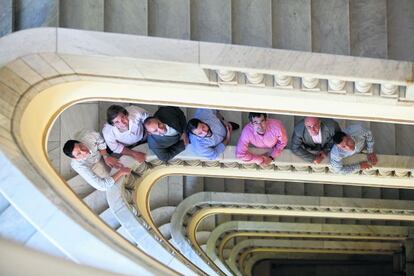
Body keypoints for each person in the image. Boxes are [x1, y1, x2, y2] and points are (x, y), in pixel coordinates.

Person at [62, 130, 131, 191]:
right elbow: (102, 186)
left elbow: (100, 140)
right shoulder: (79, 166)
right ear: (75, 158)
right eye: (79, 154)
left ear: (81, 142)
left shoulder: (89, 136)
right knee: (114, 184)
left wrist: (105, 155)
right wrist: (121, 172)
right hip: (93, 165)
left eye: (81, 147)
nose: (84, 152)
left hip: (99, 152)